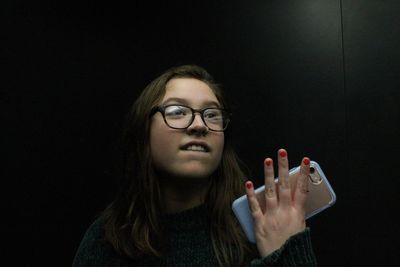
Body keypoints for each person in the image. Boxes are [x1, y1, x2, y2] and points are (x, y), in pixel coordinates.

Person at [72, 64, 317, 266]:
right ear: (143, 133)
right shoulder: (106, 240)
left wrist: (286, 254)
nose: (199, 125)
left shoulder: (259, 227)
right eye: (178, 111)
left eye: (211, 114)